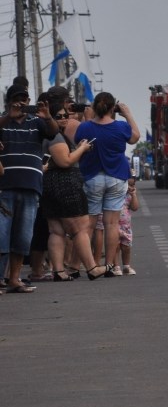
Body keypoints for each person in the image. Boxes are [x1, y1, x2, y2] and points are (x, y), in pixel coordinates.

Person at [0, 86, 60, 293]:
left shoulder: (37, 122)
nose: (21, 104)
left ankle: (14, 279)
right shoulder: (3, 120)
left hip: (31, 186)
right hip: (5, 186)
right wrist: (8, 116)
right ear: (9, 101)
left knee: (23, 237)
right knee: (2, 235)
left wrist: (47, 116)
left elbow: (53, 132)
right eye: (17, 100)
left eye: (24, 100)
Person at [74, 92, 140, 276]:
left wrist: (88, 119)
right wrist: (127, 114)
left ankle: (88, 265)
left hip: (92, 177)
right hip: (116, 177)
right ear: (113, 108)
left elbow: (79, 141)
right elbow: (135, 137)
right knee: (112, 224)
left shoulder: (85, 127)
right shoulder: (120, 127)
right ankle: (111, 266)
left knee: (89, 225)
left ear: (94, 107)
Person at [40, 100, 101, 282]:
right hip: (64, 184)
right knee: (80, 228)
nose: (64, 119)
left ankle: (59, 271)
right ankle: (92, 268)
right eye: (58, 116)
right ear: (49, 117)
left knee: (56, 230)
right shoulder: (54, 136)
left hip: (49, 185)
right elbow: (65, 161)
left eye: (66, 115)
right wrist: (82, 149)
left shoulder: (46, 135)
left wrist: (78, 148)